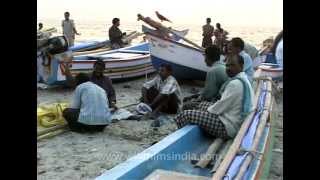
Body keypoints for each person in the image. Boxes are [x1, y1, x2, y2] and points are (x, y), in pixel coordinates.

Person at [175, 54, 254, 139]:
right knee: (198, 105)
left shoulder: (235, 84)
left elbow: (220, 106)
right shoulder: (244, 79)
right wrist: (202, 108)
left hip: (228, 126)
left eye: (232, 65)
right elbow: (222, 105)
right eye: (227, 65)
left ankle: (179, 136)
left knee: (185, 115)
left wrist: (205, 112)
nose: (228, 68)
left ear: (241, 66)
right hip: (231, 118)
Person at [183, 45, 228, 110]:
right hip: (224, 99)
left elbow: (208, 95)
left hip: (220, 104)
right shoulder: (223, 65)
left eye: (205, 56)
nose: (204, 60)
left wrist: (196, 99)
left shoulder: (213, 70)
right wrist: (196, 95)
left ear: (208, 57)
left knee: (186, 106)